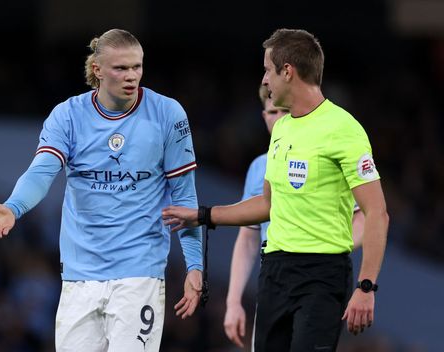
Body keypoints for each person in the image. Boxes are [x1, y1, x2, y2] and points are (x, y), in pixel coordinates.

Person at [163, 28, 388, 351]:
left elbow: (377, 212)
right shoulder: (281, 128)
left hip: (322, 277)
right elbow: (269, 204)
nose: (265, 80)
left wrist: (367, 287)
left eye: (268, 70)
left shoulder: (344, 129)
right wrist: (203, 215)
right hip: (275, 273)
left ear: (288, 71)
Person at [0, 29, 203, 352]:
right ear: (97, 70)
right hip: (79, 275)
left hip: (139, 272)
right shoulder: (68, 116)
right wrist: (13, 207)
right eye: (121, 68)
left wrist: (194, 265)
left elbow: (185, 198)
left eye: (137, 67)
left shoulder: (168, 114)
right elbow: (42, 172)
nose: (132, 76)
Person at [223, 85, 366, 348]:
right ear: (263, 115)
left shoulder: (322, 156)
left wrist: (329, 246)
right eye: (271, 111)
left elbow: (364, 219)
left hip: (316, 276)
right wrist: (233, 302)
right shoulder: (258, 168)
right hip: (273, 280)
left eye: (283, 111)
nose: (277, 118)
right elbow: (248, 238)